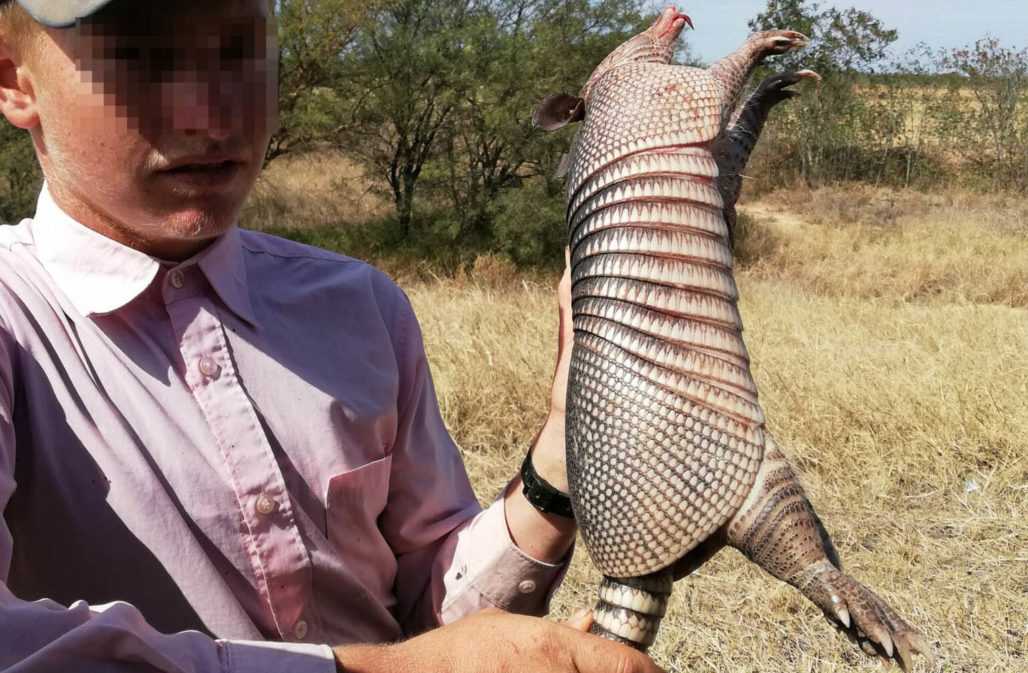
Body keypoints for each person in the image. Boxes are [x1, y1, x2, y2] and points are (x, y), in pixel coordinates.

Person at [0, 1, 665, 671]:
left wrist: (561, 453)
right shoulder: (12, 317)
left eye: (239, 51)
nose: (208, 114)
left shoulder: (361, 306)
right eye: (139, 60)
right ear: (13, 80)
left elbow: (429, 614)